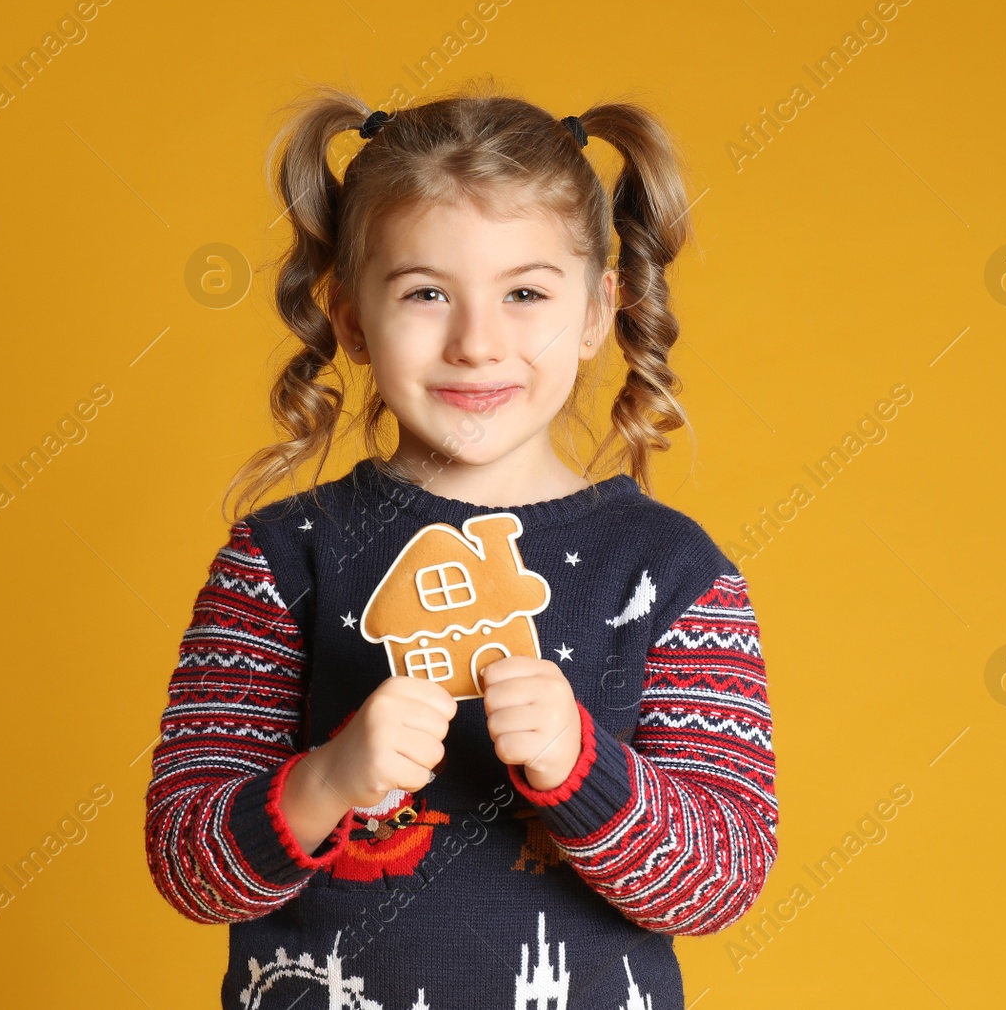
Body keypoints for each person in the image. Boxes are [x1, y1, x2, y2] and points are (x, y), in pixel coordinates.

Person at [144, 76, 777, 1009]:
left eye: (526, 292)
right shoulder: (281, 560)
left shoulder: (672, 575)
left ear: (599, 310)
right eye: (427, 292)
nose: (477, 343)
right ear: (353, 319)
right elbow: (188, 867)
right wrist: (327, 780)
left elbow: (724, 879)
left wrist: (581, 767)